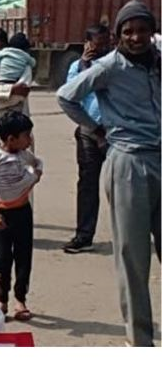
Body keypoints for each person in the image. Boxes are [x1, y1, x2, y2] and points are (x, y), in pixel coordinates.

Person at [57, 0, 160, 347]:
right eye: (128, 31)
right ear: (118, 35)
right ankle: (139, 341)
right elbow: (66, 97)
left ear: (152, 32)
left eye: (143, 30)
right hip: (129, 162)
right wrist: (97, 129)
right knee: (134, 258)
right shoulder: (108, 67)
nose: (136, 37)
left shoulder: (158, 62)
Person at [0, 111, 43, 322]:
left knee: (23, 256)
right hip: (2, 215)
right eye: (26, 135)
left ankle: (21, 299)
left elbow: (38, 164)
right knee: (3, 259)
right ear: (11, 138)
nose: (30, 140)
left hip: (22, 212)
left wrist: (34, 177)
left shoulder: (23, 155)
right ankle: (2, 300)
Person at [63, 25, 112, 254]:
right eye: (97, 44)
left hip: (115, 132)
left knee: (122, 186)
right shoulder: (77, 67)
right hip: (89, 132)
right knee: (87, 185)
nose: (101, 48)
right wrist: (85, 65)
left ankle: (129, 234)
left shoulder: (115, 64)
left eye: (105, 43)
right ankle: (84, 235)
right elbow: (70, 93)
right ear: (87, 43)